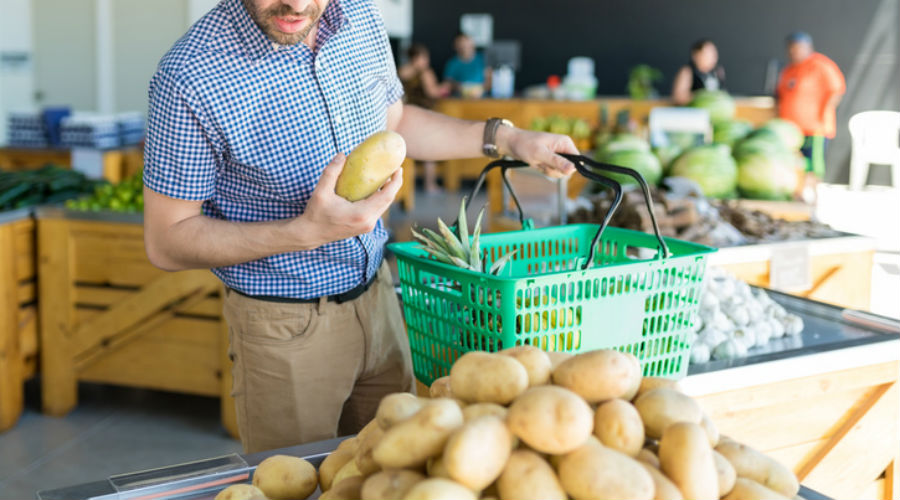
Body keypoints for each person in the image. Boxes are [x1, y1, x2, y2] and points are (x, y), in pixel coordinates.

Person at [143, 0, 578, 454]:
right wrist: (303, 232)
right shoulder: (190, 75)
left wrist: (507, 138)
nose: (294, 3)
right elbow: (167, 240)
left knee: (393, 470)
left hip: (379, 300)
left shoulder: (360, 18)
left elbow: (395, 124)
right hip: (284, 328)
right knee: (299, 483)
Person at [776, 31, 845, 168]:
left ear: (808, 47)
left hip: (815, 130)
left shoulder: (821, 65)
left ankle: (813, 189)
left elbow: (837, 90)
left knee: (814, 167)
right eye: (790, 48)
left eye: (797, 47)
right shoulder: (788, 70)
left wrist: (822, 114)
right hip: (792, 131)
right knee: (795, 167)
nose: (793, 51)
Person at [398, 43, 449, 192]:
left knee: (405, 154)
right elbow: (434, 92)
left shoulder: (402, 71)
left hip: (405, 113)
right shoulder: (425, 73)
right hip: (424, 115)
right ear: (417, 57)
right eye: (424, 56)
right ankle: (430, 185)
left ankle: (406, 189)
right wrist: (446, 88)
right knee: (428, 151)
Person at [672, 39, 726, 105]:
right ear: (695, 55)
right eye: (708, 54)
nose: (713, 57)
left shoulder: (717, 72)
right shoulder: (687, 71)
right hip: (694, 112)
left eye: (714, 54)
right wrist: (701, 96)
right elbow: (678, 98)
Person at [443, 33, 491, 98]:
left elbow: (489, 80)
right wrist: (460, 87)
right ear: (455, 46)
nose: (464, 47)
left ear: (472, 44)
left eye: (466, 43)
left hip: (482, 100)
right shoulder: (452, 63)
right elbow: (447, 83)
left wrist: (481, 89)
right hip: (460, 100)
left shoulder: (483, 60)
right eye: (461, 44)